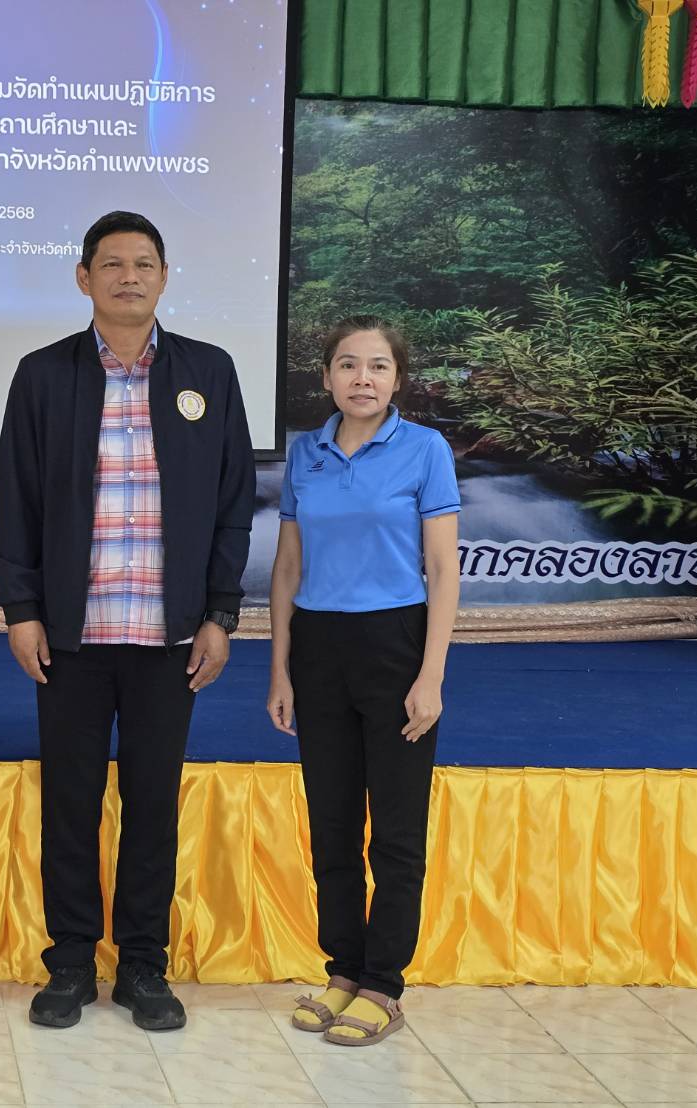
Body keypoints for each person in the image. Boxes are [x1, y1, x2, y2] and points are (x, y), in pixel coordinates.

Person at [0, 211, 255, 1032]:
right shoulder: (43, 374)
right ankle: (70, 962)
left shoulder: (208, 371)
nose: (128, 277)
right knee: (68, 804)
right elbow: (17, 501)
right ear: (83, 278)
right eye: (111, 264)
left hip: (168, 637)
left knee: (152, 805)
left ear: (164, 276)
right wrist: (21, 610)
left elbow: (232, 503)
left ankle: (144, 965)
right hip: (70, 636)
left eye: (144, 263)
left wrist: (219, 613)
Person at [266, 315, 460, 1046]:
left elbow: (441, 569)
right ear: (325, 377)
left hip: (396, 644)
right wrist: (280, 668)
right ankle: (343, 970)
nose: (362, 379)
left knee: (397, 832)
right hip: (318, 647)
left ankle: (383, 983)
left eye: (378, 366)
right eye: (347, 365)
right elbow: (288, 566)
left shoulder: (424, 449)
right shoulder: (306, 453)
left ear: (397, 378)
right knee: (333, 826)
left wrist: (430, 675)